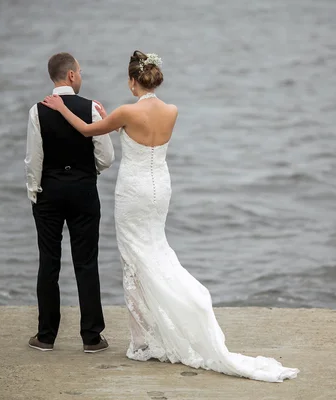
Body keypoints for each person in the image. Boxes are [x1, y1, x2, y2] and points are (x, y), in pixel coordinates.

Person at [41, 50, 299, 382]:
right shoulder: (172, 111)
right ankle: (170, 320)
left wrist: (63, 108)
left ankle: (143, 342)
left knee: (134, 259)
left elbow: (88, 131)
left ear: (134, 81)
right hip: (160, 188)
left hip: (133, 192)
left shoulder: (124, 113)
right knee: (156, 249)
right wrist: (111, 119)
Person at [25, 52, 115, 353]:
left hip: (48, 193)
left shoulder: (37, 111)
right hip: (83, 191)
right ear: (72, 75)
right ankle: (91, 338)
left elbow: (33, 159)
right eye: (80, 71)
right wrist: (87, 173)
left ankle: (46, 336)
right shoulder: (91, 108)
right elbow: (106, 157)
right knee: (86, 263)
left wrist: (34, 191)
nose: (81, 75)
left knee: (48, 263)